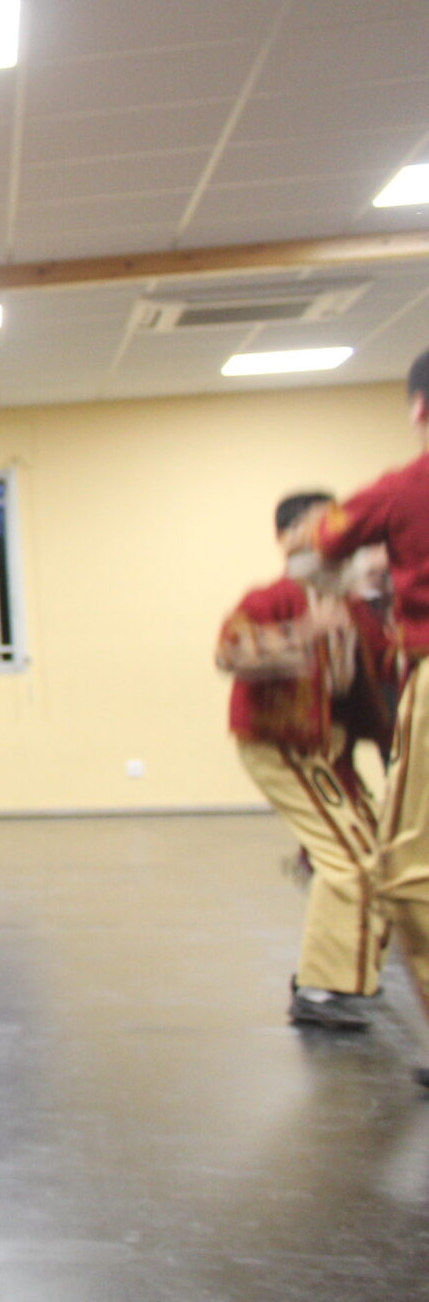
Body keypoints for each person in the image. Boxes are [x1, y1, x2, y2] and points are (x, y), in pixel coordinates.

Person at [292, 346, 429, 1071]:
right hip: (303, 743)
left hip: (355, 730)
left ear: (418, 407)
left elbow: (315, 549)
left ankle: (329, 982)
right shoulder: (290, 603)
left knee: (397, 868)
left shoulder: (404, 489)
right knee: (359, 855)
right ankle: (326, 983)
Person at [220, 491, 390, 1030]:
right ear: (290, 538)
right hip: (281, 743)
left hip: (327, 746)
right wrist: (300, 634)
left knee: (379, 855)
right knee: (352, 860)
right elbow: (230, 653)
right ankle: (321, 990)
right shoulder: (274, 597)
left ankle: (342, 972)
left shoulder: (356, 604)